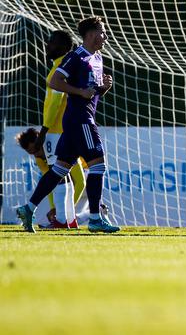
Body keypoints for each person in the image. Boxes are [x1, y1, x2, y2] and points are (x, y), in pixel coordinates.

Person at [16, 16, 119, 233]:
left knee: (58, 170)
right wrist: (80, 91)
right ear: (90, 35)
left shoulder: (97, 58)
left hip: (77, 121)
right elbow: (55, 82)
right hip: (81, 120)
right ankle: (95, 218)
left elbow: (91, 91)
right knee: (98, 165)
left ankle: (28, 208)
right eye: (102, 32)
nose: (105, 36)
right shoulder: (76, 57)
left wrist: (103, 88)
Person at [30, 30, 87, 229]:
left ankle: (61, 219)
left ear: (62, 47)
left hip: (55, 131)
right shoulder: (71, 65)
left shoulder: (59, 69)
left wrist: (43, 131)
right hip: (70, 129)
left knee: (59, 176)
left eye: (51, 43)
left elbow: (55, 101)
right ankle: (68, 219)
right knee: (77, 179)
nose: (47, 45)